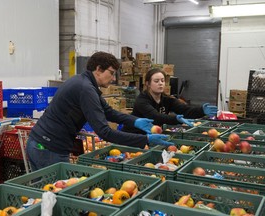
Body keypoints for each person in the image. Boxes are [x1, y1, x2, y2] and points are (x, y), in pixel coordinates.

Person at [26, 52, 173, 171]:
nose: (113, 78)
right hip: (48, 148)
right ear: (98, 69)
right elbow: (105, 132)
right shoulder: (86, 89)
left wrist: (135, 121)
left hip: (42, 144)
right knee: (53, 197)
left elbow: (108, 112)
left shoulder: (84, 82)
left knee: (47, 195)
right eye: (111, 73)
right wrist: (145, 140)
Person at [122, 68, 218, 135]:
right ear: (148, 84)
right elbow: (156, 117)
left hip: (151, 135)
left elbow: (185, 110)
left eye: (162, 81)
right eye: (156, 81)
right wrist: (176, 119)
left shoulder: (167, 99)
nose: (160, 84)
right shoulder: (142, 100)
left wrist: (201, 110)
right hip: (134, 135)